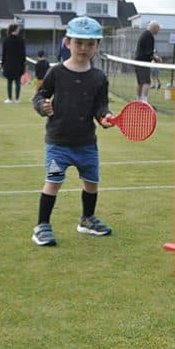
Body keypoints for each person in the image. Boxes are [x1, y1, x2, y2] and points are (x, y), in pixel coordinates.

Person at [31, 16, 116, 246]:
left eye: (90, 44)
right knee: (53, 182)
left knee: (91, 183)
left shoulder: (99, 77)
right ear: (67, 43)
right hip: (59, 144)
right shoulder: (56, 72)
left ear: (97, 46)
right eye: (79, 43)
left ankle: (87, 220)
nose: (84, 48)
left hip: (87, 143)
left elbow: (101, 105)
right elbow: (39, 96)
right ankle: (42, 226)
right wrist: (43, 106)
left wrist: (104, 117)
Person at [134, 20, 161, 102]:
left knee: (140, 83)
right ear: (154, 28)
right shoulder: (149, 36)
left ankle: (139, 101)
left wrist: (155, 57)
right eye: (158, 29)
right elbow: (149, 53)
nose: (158, 31)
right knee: (146, 82)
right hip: (142, 63)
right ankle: (144, 101)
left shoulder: (145, 34)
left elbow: (148, 51)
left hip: (138, 61)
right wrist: (157, 59)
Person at [1, 23, 27, 103]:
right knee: (18, 82)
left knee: (9, 81)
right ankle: (17, 99)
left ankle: (9, 99)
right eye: (18, 28)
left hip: (8, 64)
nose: (19, 30)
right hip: (18, 64)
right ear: (15, 29)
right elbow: (23, 54)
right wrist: (24, 64)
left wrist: (2, 64)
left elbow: (4, 54)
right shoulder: (21, 40)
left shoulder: (6, 40)